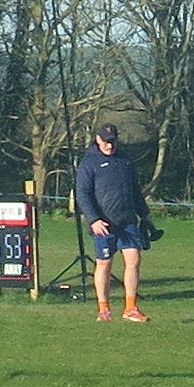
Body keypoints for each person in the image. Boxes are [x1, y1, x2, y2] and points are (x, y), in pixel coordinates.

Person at [75, 123, 151, 323]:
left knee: (134, 259)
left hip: (127, 220)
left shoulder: (125, 160)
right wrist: (93, 219)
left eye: (113, 142)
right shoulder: (88, 163)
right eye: (106, 142)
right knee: (104, 263)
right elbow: (83, 194)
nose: (110, 146)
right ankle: (104, 309)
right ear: (98, 139)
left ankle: (131, 307)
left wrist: (144, 214)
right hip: (103, 223)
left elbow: (135, 189)